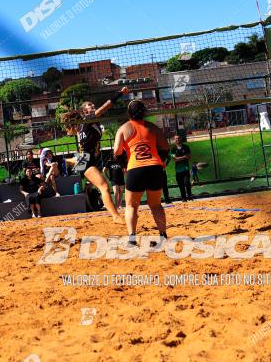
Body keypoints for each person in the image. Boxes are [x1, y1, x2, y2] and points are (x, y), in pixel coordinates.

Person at [61, 86, 129, 225]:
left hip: (87, 159)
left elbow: (73, 132)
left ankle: (71, 160)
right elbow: (105, 107)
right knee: (104, 187)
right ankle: (116, 216)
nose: (93, 106)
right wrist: (120, 93)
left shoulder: (85, 124)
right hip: (86, 161)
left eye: (92, 105)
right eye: (90, 105)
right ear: (84, 111)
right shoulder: (88, 119)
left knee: (100, 185)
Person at [114, 100, 170, 245]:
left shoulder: (124, 128)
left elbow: (116, 151)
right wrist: (161, 161)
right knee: (156, 205)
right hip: (155, 167)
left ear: (128, 113)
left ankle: (132, 239)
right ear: (144, 111)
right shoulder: (152, 127)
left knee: (131, 206)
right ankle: (163, 236)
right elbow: (165, 147)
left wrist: (124, 165)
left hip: (135, 168)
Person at [172, 134, 193, 201]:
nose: (177, 140)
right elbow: (175, 159)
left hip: (185, 168)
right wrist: (184, 157)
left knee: (187, 183)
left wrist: (179, 158)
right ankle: (183, 198)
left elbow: (189, 157)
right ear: (174, 140)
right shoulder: (173, 148)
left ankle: (189, 196)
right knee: (181, 185)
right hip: (178, 170)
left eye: (178, 138)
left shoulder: (186, 147)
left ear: (180, 139)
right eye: (176, 139)